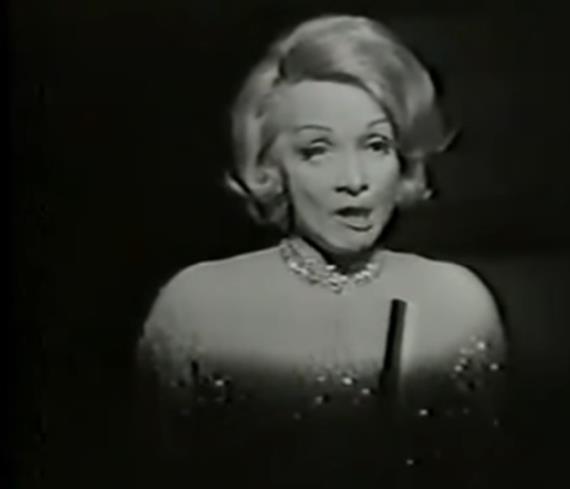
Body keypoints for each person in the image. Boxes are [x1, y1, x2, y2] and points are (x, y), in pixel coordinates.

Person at [133, 14, 509, 489]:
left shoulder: (458, 303)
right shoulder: (195, 306)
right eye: (317, 150)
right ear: (271, 167)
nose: (354, 180)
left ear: (404, 158)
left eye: (376, 145)